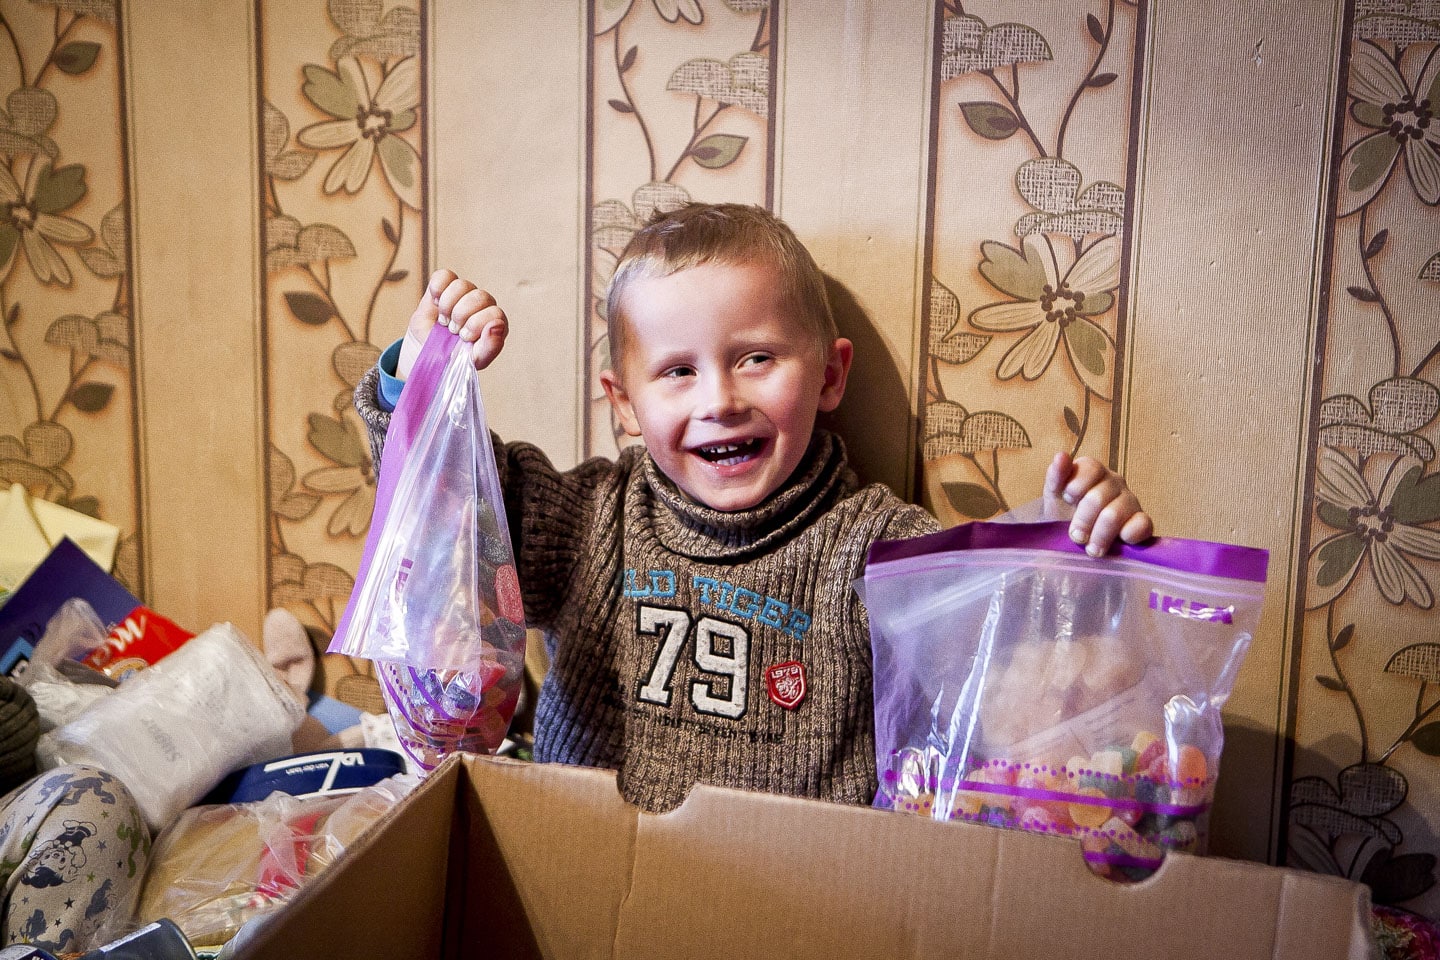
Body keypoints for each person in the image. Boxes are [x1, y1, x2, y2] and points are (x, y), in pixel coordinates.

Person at [354, 202, 1152, 813]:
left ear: (830, 376)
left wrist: (1070, 546)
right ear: (623, 403)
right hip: (585, 866)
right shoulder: (592, 517)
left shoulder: (872, 546)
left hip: (796, 900)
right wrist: (419, 380)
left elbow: (999, 642)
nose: (721, 400)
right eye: (677, 372)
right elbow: (450, 501)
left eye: (757, 358)